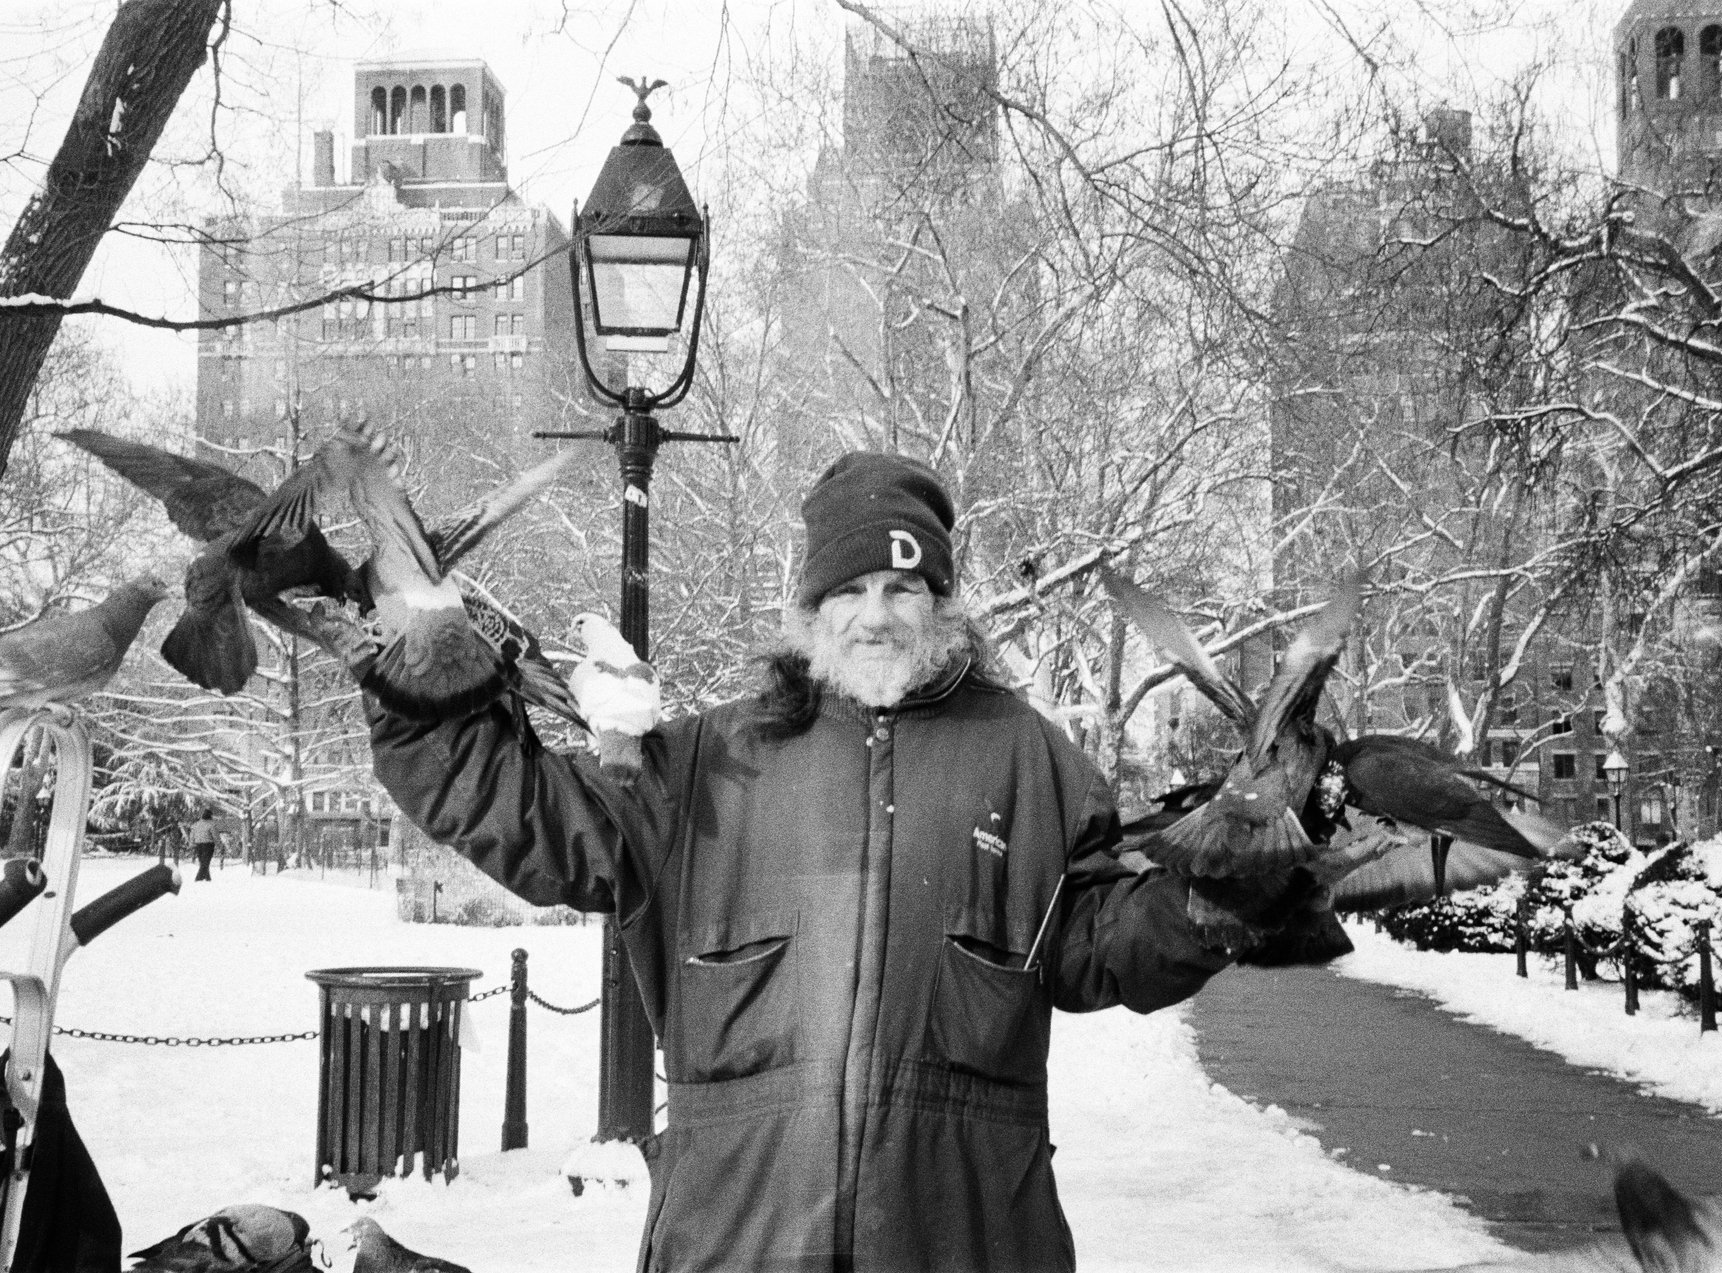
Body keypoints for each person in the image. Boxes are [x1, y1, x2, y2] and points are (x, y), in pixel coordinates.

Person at [364, 452, 1300, 1273]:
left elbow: (1102, 945)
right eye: (848, 590)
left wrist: (1216, 893)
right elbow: (519, 811)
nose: (875, 615)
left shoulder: (1031, 760)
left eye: (902, 588)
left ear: (941, 604)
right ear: (810, 607)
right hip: (738, 1236)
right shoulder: (704, 764)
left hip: (963, 1235)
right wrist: (416, 666)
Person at [187, 813, 216, 882]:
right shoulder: (211, 825)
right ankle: (198, 878)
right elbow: (215, 835)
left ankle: (207, 878)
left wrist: (191, 844)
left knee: (202, 862)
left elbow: (192, 835)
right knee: (205, 862)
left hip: (198, 845)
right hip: (208, 845)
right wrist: (219, 844)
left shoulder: (195, 825)